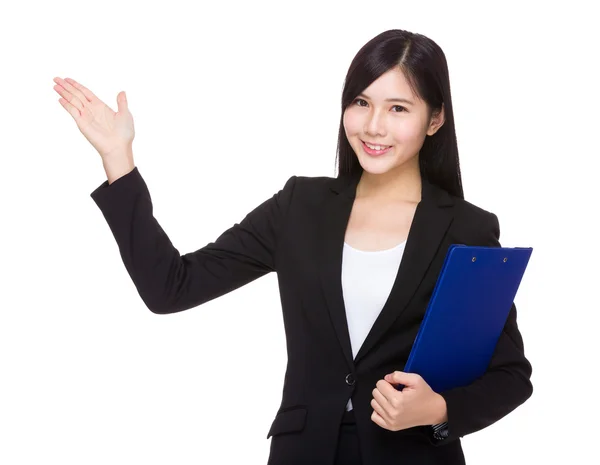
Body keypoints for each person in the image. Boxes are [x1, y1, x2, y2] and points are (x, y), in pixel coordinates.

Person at [53, 28, 533, 465]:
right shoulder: (300, 207)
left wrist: (438, 409)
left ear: (435, 120)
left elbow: (510, 375)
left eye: (398, 108)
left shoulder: (467, 229)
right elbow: (170, 287)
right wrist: (119, 161)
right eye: (361, 103)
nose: (373, 126)